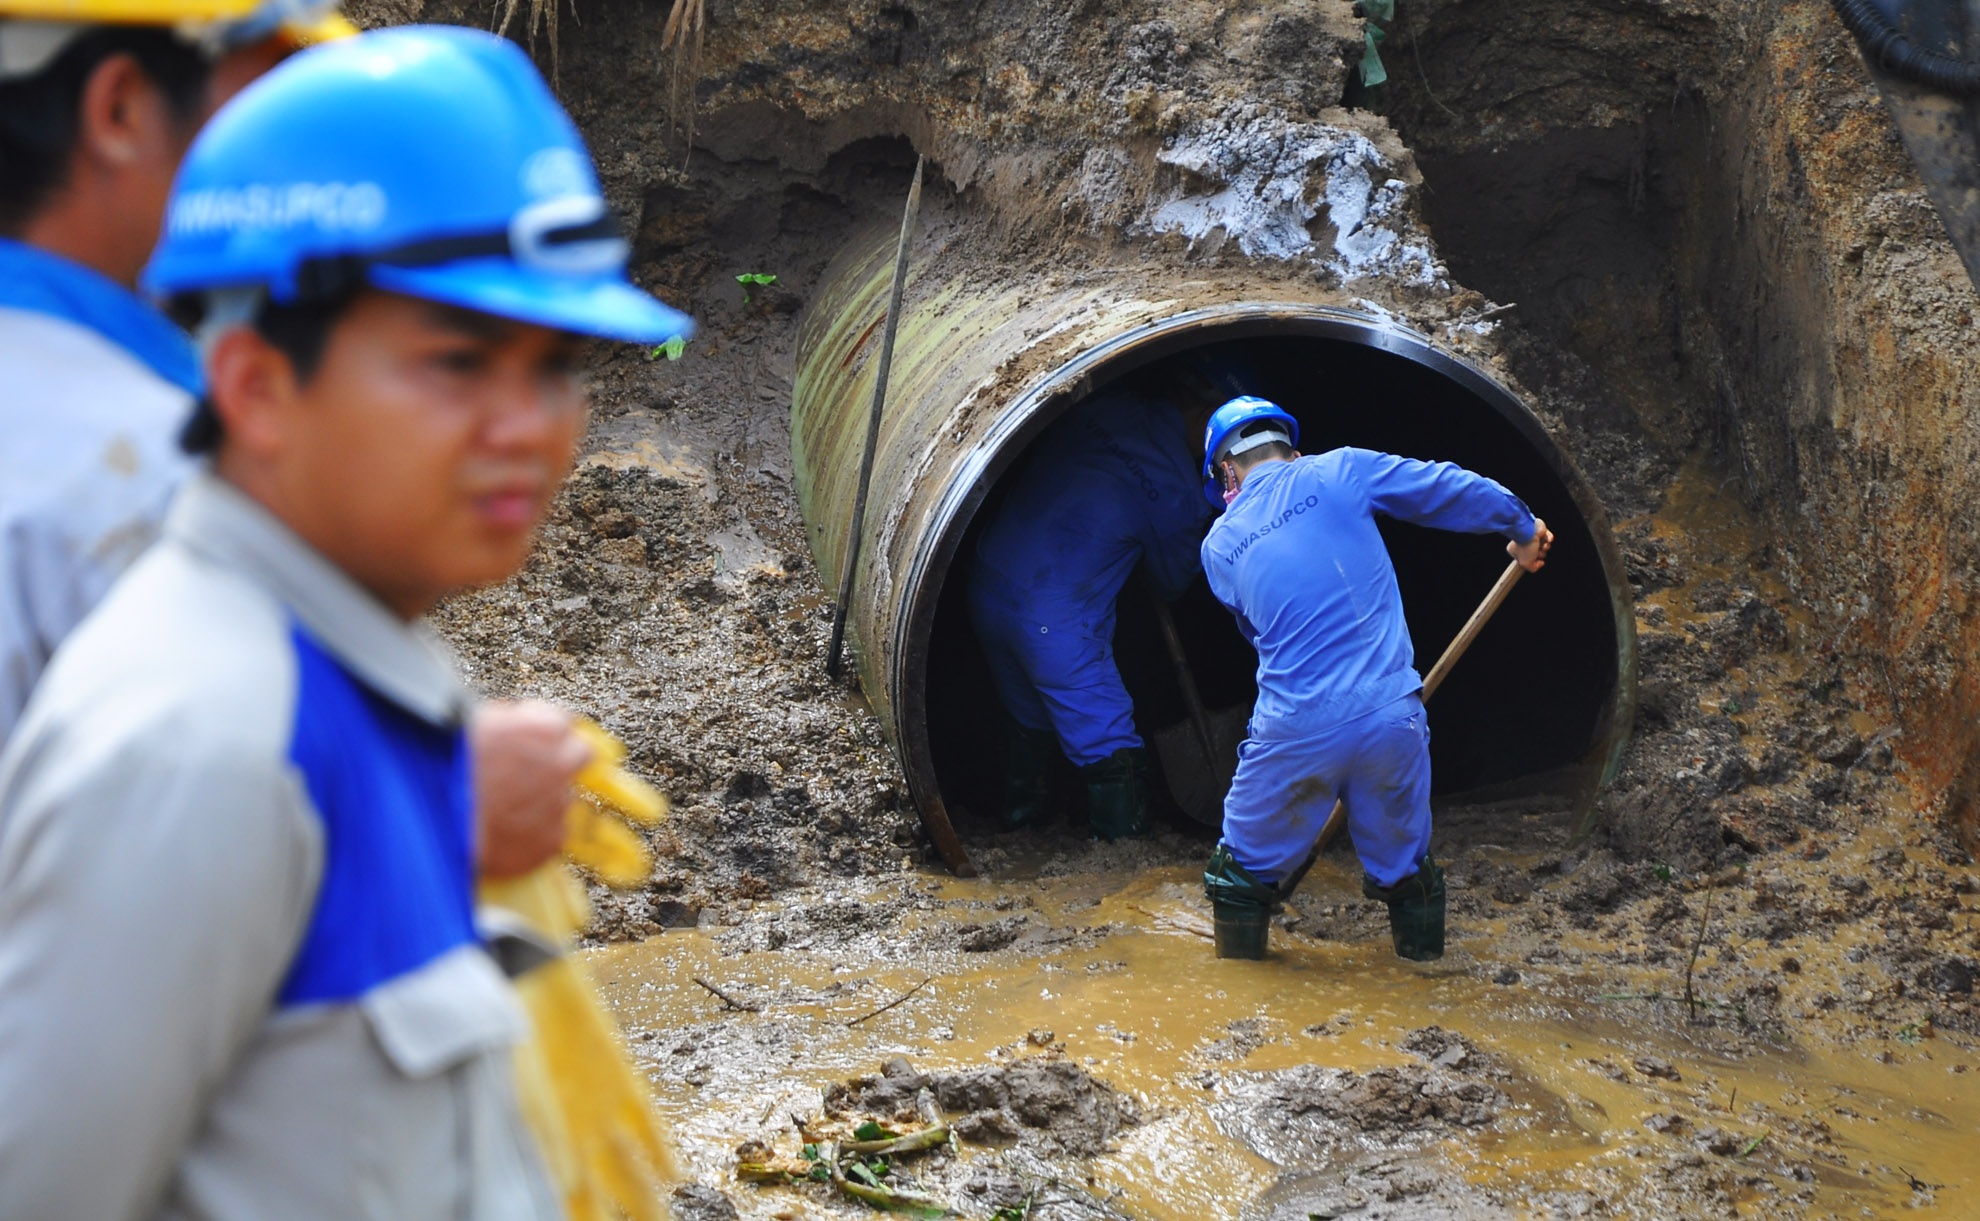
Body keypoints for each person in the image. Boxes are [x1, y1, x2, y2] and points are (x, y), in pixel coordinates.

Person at [0, 25, 692, 1219]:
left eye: (555, 363)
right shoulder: (202, 749)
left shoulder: (350, 686)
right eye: (458, 360)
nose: (527, 425)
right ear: (258, 387)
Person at [0, 0, 578, 879]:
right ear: (121, 108)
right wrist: (434, 810)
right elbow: (117, 897)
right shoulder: (132, 475)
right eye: (270, 92)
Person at [1196, 397, 1553, 961]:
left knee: (1236, 881)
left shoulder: (1218, 547)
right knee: (1406, 871)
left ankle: (1241, 995)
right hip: (1393, 719)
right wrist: (1520, 525)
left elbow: (1257, 635)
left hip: (1294, 731)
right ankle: (1424, 978)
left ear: (1227, 472)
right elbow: (1444, 488)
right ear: (1292, 450)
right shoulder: (1340, 469)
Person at [967, 380, 1217, 840]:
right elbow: (1171, 584)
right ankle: (1123, 863)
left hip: (986, 581)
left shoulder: (1108, 402)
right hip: (1052, 624)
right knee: (1107, 740)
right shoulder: (1180, 491)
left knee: (1030, 717)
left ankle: (1022, 834)